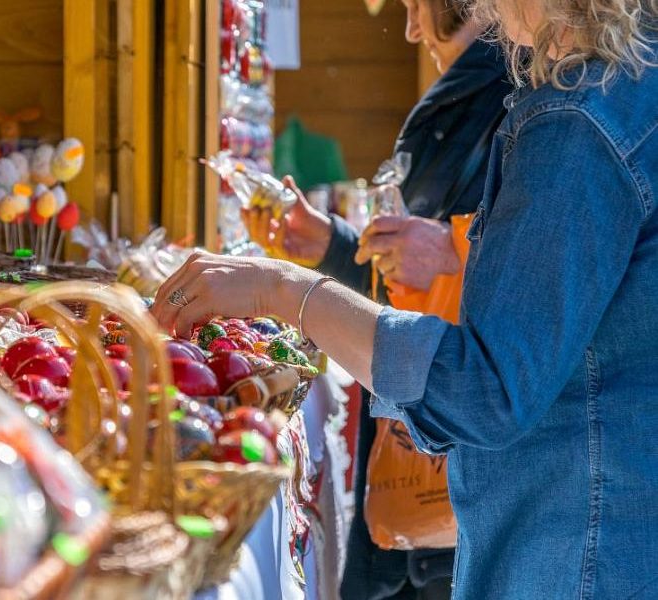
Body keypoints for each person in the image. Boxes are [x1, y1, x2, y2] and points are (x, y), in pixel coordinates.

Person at [152, 0, 658, 597]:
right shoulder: (627, 90)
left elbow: (486, 388)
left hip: (576, 554)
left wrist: (282, 289)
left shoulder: (579, 123)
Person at [247, 0, 512, 597]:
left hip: (464, 471)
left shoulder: (519, 98)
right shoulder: (469, 95)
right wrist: (331, 244)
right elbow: (411, 291)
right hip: (429, 449)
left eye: (416, 6)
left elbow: (542, 269)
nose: (412, 29)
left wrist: (452, 250)